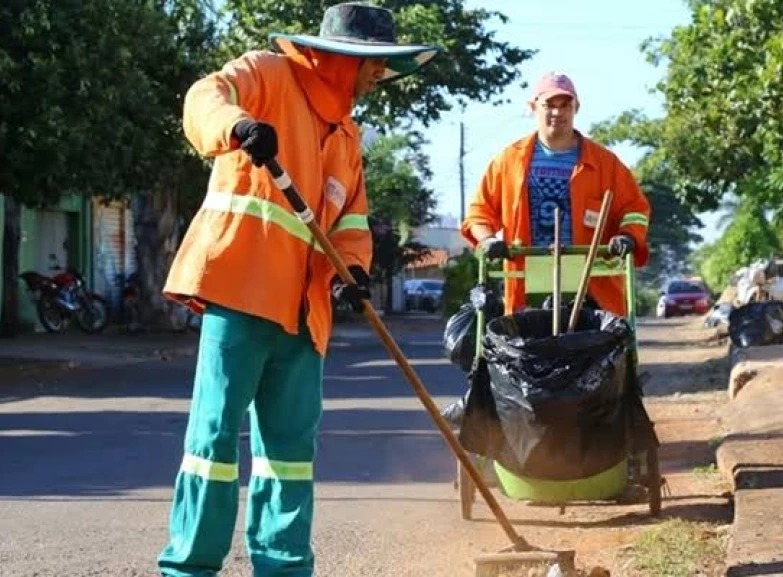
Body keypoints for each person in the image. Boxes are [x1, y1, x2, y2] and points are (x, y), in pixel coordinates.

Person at [156, 4, 440, 576]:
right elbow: (203, 96)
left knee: (288, 457)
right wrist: (237, 126)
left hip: (303, 312)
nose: (379, 78)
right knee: (212, 442)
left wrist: (352, 273)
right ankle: (190, 568)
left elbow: (351, 224)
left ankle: (284, 568)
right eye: (375, 66)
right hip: (240, 288)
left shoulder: (347, 135)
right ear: (347, 60)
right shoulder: (267, 76)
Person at [461, 71, 651, 317]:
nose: (557, 113)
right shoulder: (509, 161)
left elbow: (634, 209)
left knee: (590, 354)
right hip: (527, 286)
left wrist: (628, 237)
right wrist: (488, 240)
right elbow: (479, 213)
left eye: (565, 105)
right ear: (533, 107)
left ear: (576, 108)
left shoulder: (606, 164)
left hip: (593, 290)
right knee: (529, 354)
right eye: (549, 105)